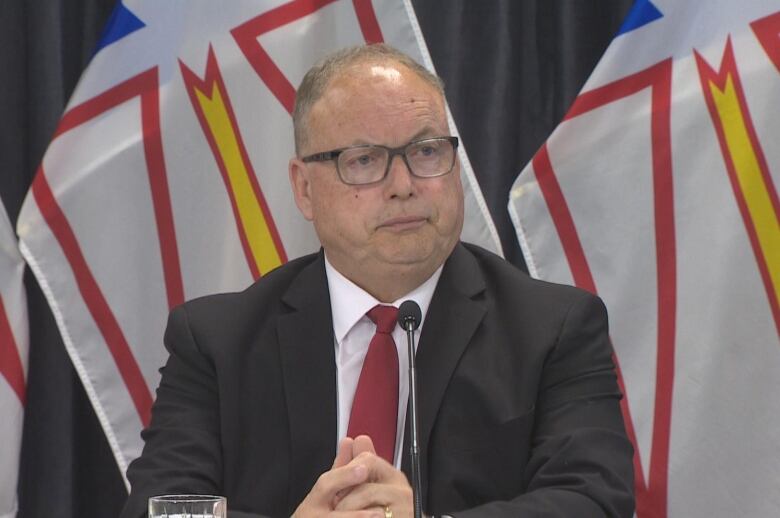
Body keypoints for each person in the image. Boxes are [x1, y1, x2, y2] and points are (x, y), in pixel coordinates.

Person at [121, 44, 634, 518]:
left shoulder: (553, 329)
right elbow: (160, 509)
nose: (404, 186)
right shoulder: (218, 340)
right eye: (364, 161)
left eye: (427, 151)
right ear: (304, 188)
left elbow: (592, 501)